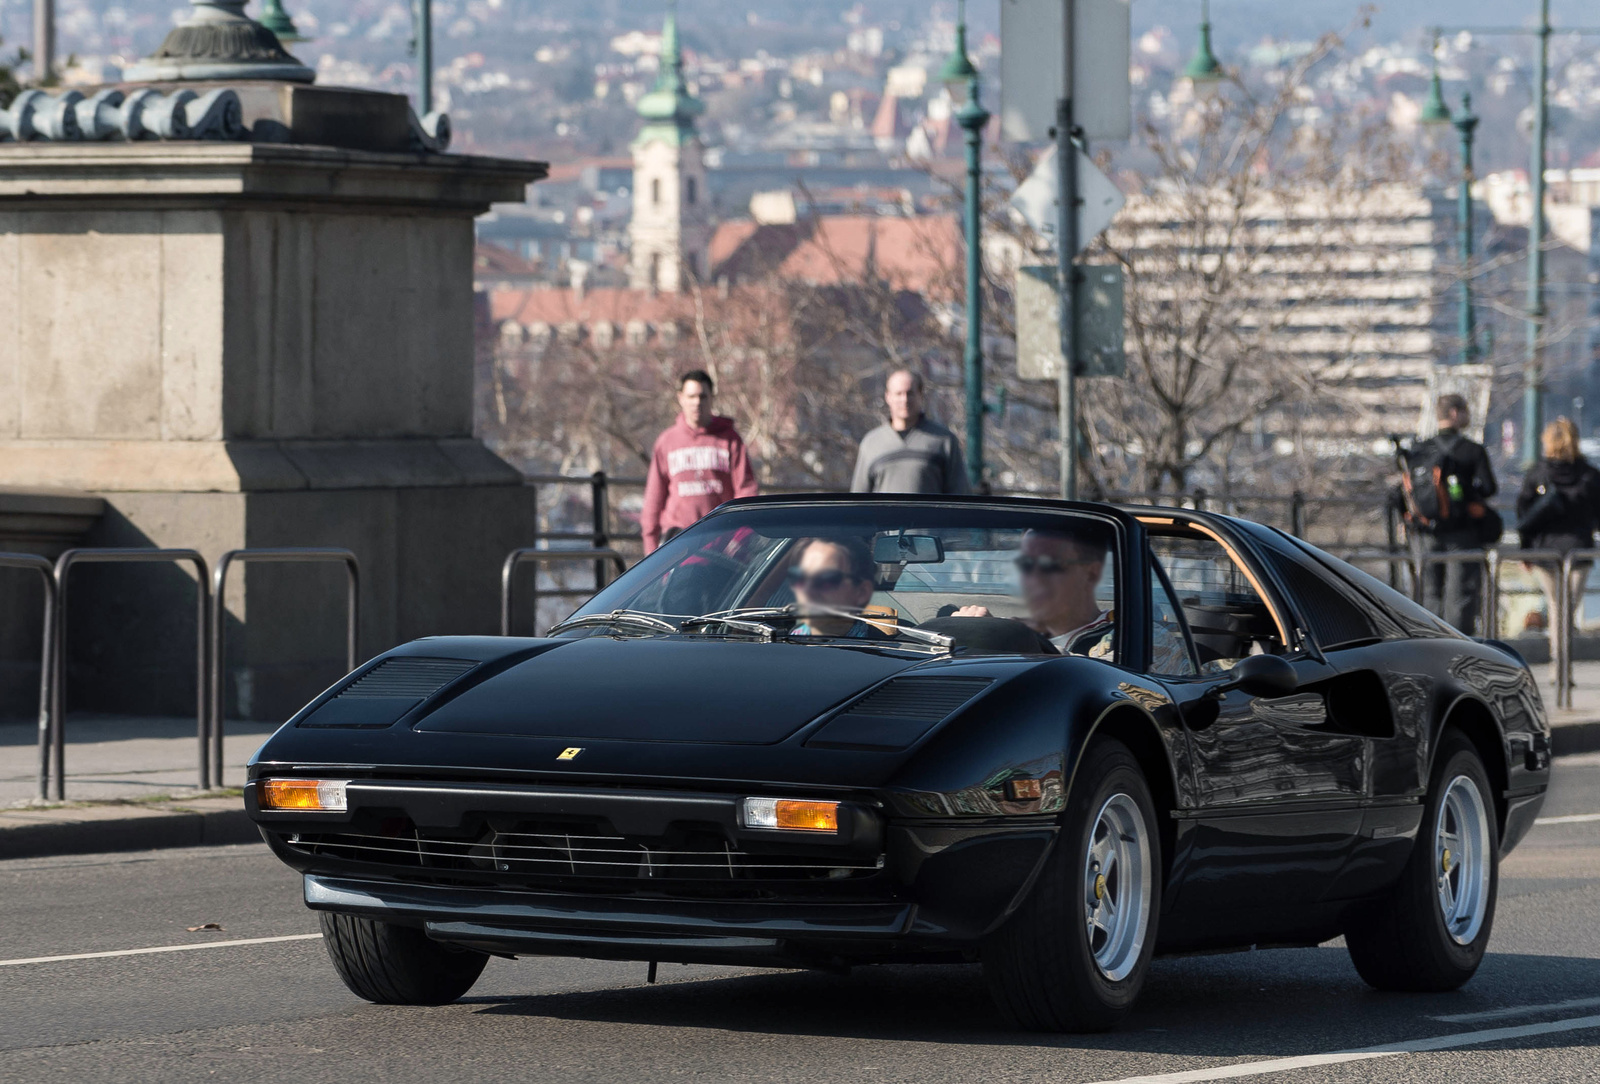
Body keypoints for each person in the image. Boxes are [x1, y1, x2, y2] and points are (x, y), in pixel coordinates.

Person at [1517, 417, 1600, 682]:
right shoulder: (1589, 475)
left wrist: (1525, 550)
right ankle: (1563, 668)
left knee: (1556, 607)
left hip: (1545, 551)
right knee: (1567, 609)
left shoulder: (1537, 473)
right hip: (1579, 550)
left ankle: (1559, 667)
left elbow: (1524, 514)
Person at [640, 370, 758, 553]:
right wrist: (650, 549)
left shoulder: (730, 440)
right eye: (691, 396)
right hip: (676, 543)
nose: (697, 402)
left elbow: (747, 493)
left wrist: (739, 539)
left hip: (721, 542)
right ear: (681, 398)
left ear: (711, 398)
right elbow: (653, 501)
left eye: (703, 396)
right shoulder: (667, 441)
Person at [1408, 394, 1498, 634]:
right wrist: (1468, 497)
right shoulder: (1471, 450)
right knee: (1461, 594)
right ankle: (1459, 646)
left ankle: (1429, 642)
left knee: (1430, 591)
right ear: (1455, 413)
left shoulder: (1420, 450)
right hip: (1463, 531)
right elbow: (1489, 487)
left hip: (1426, 530)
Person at [952, 525, 1113, 656]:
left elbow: (1101, 673)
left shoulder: (1122, 638)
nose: (1033, 578)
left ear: (1091, 573)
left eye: (1048, 565)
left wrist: (1005, 641)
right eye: (1026, 565)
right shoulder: (1014, 628)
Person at [850, 369, 972, 494]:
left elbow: (960, 494)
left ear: (921, 395)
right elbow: (859, 500)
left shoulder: (944, 440)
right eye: (899, 393)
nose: (905, 400)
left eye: (910, 393)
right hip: (883, 515)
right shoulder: (871, 443)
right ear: (888, 397)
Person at [787, 537, 885, 638]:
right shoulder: (785, 643)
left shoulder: (887, 649)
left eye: (825, 579)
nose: (806, 590)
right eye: (798, 577)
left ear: (862, 592)